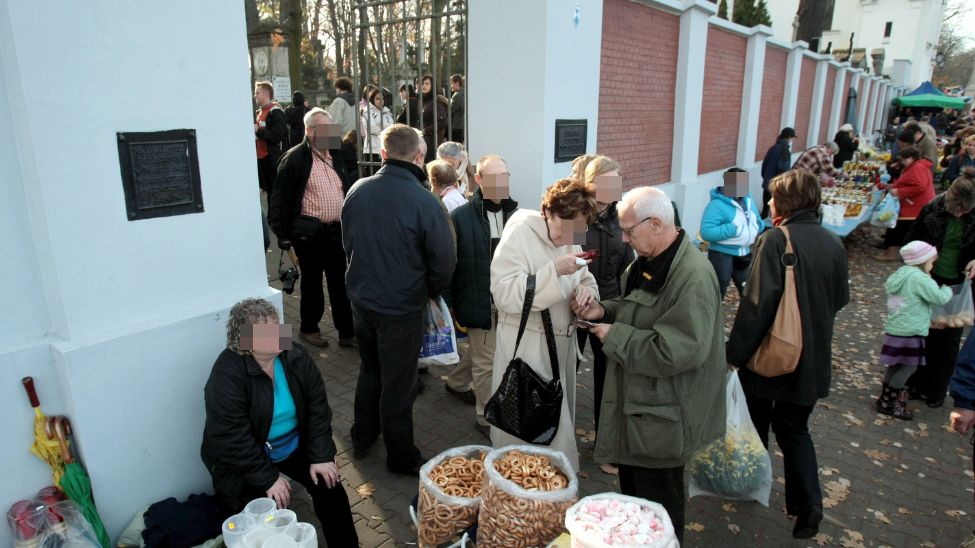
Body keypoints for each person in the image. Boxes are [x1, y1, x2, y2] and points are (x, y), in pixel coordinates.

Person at [574, 186, 726, 545]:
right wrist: (603, 310)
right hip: (644, 411)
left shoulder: (692, 277)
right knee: (637, 509)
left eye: (630, 231)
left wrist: (615, 336)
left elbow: (677, 350)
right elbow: (635, 310)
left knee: (660, 515)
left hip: (664, 418)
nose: (625, 239)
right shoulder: (651, 260)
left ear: (656, 223)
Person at [726, 170, 849, 539]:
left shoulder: (777, 239)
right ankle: (808, 505)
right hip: (811, 360)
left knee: (757, 422)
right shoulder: (833, 242)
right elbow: (840, 299)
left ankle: (753, 485)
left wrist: (735, 353)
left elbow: (757, 305)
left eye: (773, 197)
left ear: (786, 202)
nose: (768, 203)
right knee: (795, 430)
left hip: (769, 357)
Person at [341, 124, 456, 475]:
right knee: (398, 380)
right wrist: (429, 291)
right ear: (420, 157)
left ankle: (363, 437)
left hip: (363, 299)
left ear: (383, 154)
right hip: (400, 306)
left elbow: (347, 240)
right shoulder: (425, 200)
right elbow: (444, 260)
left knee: (371, 369)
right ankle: (400, 454)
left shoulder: (358, 189)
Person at [201, 298, 358, 547]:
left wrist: (321, 456)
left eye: (277, 327)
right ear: (246, 340)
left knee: (331, 488)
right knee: (262, 518)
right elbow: (230, 438)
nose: (278, 335)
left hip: (293, 445)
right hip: (247, 459)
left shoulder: (294, 354)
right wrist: (268, 478)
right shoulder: (226, 374)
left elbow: (318, 408)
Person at [489, 178, 600, 471]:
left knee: (555, 434)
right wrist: (552, 272)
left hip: (561, 351)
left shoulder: (569, 232)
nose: (570, 237)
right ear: (548, 212)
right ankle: (522, 500)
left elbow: (583, 274)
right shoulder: (520, 232)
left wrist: (586, 291)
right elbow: (503, 293)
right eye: (565, 228)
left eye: (579, 228)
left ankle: (549, 500)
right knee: (528, 442)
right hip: (529, 350)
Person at [268, 108, 357, 349]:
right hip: (309, 234)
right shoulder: (294, 158)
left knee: (340, 283)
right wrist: (282, 235)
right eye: (326, 130)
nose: (332, 134)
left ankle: (347, 332)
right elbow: (280, 199)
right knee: (312, 284)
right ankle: (309, 328)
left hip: (336, 231)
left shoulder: (334, 155)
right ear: (310, 131)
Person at [443, 155, 519, 437]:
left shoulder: (517, 215)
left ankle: (456, 382)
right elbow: (448, 263)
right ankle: (485, 416)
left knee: (484, 353)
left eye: (505, 176)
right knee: (487, 362)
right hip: (478, 301)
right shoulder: (460, 217)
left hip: (509, 300)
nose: (501, 183)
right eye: (494, 177)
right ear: (479, 180)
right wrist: (450, 302)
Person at [905, 169, 975, 408]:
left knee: (948, 342)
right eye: (957, 208)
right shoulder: (932, 209)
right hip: (929, 280)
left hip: (959, 286)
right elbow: (911, 242)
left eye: (965, 211)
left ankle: (936, 390)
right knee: (922, 333)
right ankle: (914, 384)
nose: (960, 213)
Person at [576, 156, 632, 450]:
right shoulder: (576, 214)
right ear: (591, 182)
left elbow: (628, 263)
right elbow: (567, 255)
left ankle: (606, 443)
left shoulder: (621, 216)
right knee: (564, 370)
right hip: (574, 305)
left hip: (608, 304)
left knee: (608, 376)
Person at [875, 241, 952, 420]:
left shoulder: (900, 274)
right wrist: (947, 289)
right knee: (909, 366)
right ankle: (891, 401)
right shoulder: (920, 278)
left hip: (895, 329)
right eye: (932, 262)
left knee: (895, 364)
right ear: (923, 261)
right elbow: (938, 298)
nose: (932, 266)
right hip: (912, 331)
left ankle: (885, 399)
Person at [700, 167, 763, 299]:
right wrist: (733, 229)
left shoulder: (748, 200)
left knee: (749, 294)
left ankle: (746, 319)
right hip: (721, 256)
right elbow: (706, 232)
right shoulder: (716, 205)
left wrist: (757, 226)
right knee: (716, 294)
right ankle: (713, 319)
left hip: (744, 253)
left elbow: (756, 219)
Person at [875, 147, 936, 262]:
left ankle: (891, 254)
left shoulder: (918, 168)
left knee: (898, 229)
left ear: (912, 158)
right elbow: (908, 182)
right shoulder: (916, 166)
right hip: (914, 204)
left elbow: (919, 186)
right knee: (903, 230)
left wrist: (899, 192)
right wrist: (892, 186)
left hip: (914, 206)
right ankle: (907, 255)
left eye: (903, 159)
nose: (902, 162)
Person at [254, 81, 287, 197]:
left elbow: (278, 136)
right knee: (268, 190)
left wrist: (258, 131)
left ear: (265, 94)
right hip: (261, 158)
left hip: (271, 159)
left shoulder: (275, 111)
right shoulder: (260, 112)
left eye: (257, 93)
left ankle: (275, 214)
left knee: (274, 192)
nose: (255, 96)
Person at [761, 128, 797, 217]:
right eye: (792, 138)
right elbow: (784, 170)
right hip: (776, 186)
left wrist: (766, 178)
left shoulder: (773, 148)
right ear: (789, 137)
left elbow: (764, 165)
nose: (792, 140)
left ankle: (763, 227)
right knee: (775, 212)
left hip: (768, 183)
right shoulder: (784, 150)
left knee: (765, 210)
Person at [360, 87, 394, 170]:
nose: (381, 101)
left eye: (382, 98)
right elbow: (371, 128)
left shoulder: (387, 111)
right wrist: (386, 130)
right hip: (372, 149)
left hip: (386, 148)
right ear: (372, 99)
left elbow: (392, 127)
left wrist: (381, 126)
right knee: (372, 172)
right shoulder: (367, 111)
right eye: (377, 98)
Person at [419, 74, 449, 162]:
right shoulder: (424, 101)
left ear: (433, 86)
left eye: (427, 84)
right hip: (425, 140)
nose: (423, 85)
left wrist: (426, 130)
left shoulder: (436, 101)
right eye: (422, 83)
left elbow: (442, 122)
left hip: (433, 142)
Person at [449, 74, 465, 143]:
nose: (451, 86)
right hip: (462, 125)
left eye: (452, 83)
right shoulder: (464, 92)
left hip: (456, 126)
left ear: (457, 83)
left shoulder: (457, 95)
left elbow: (451, 110)